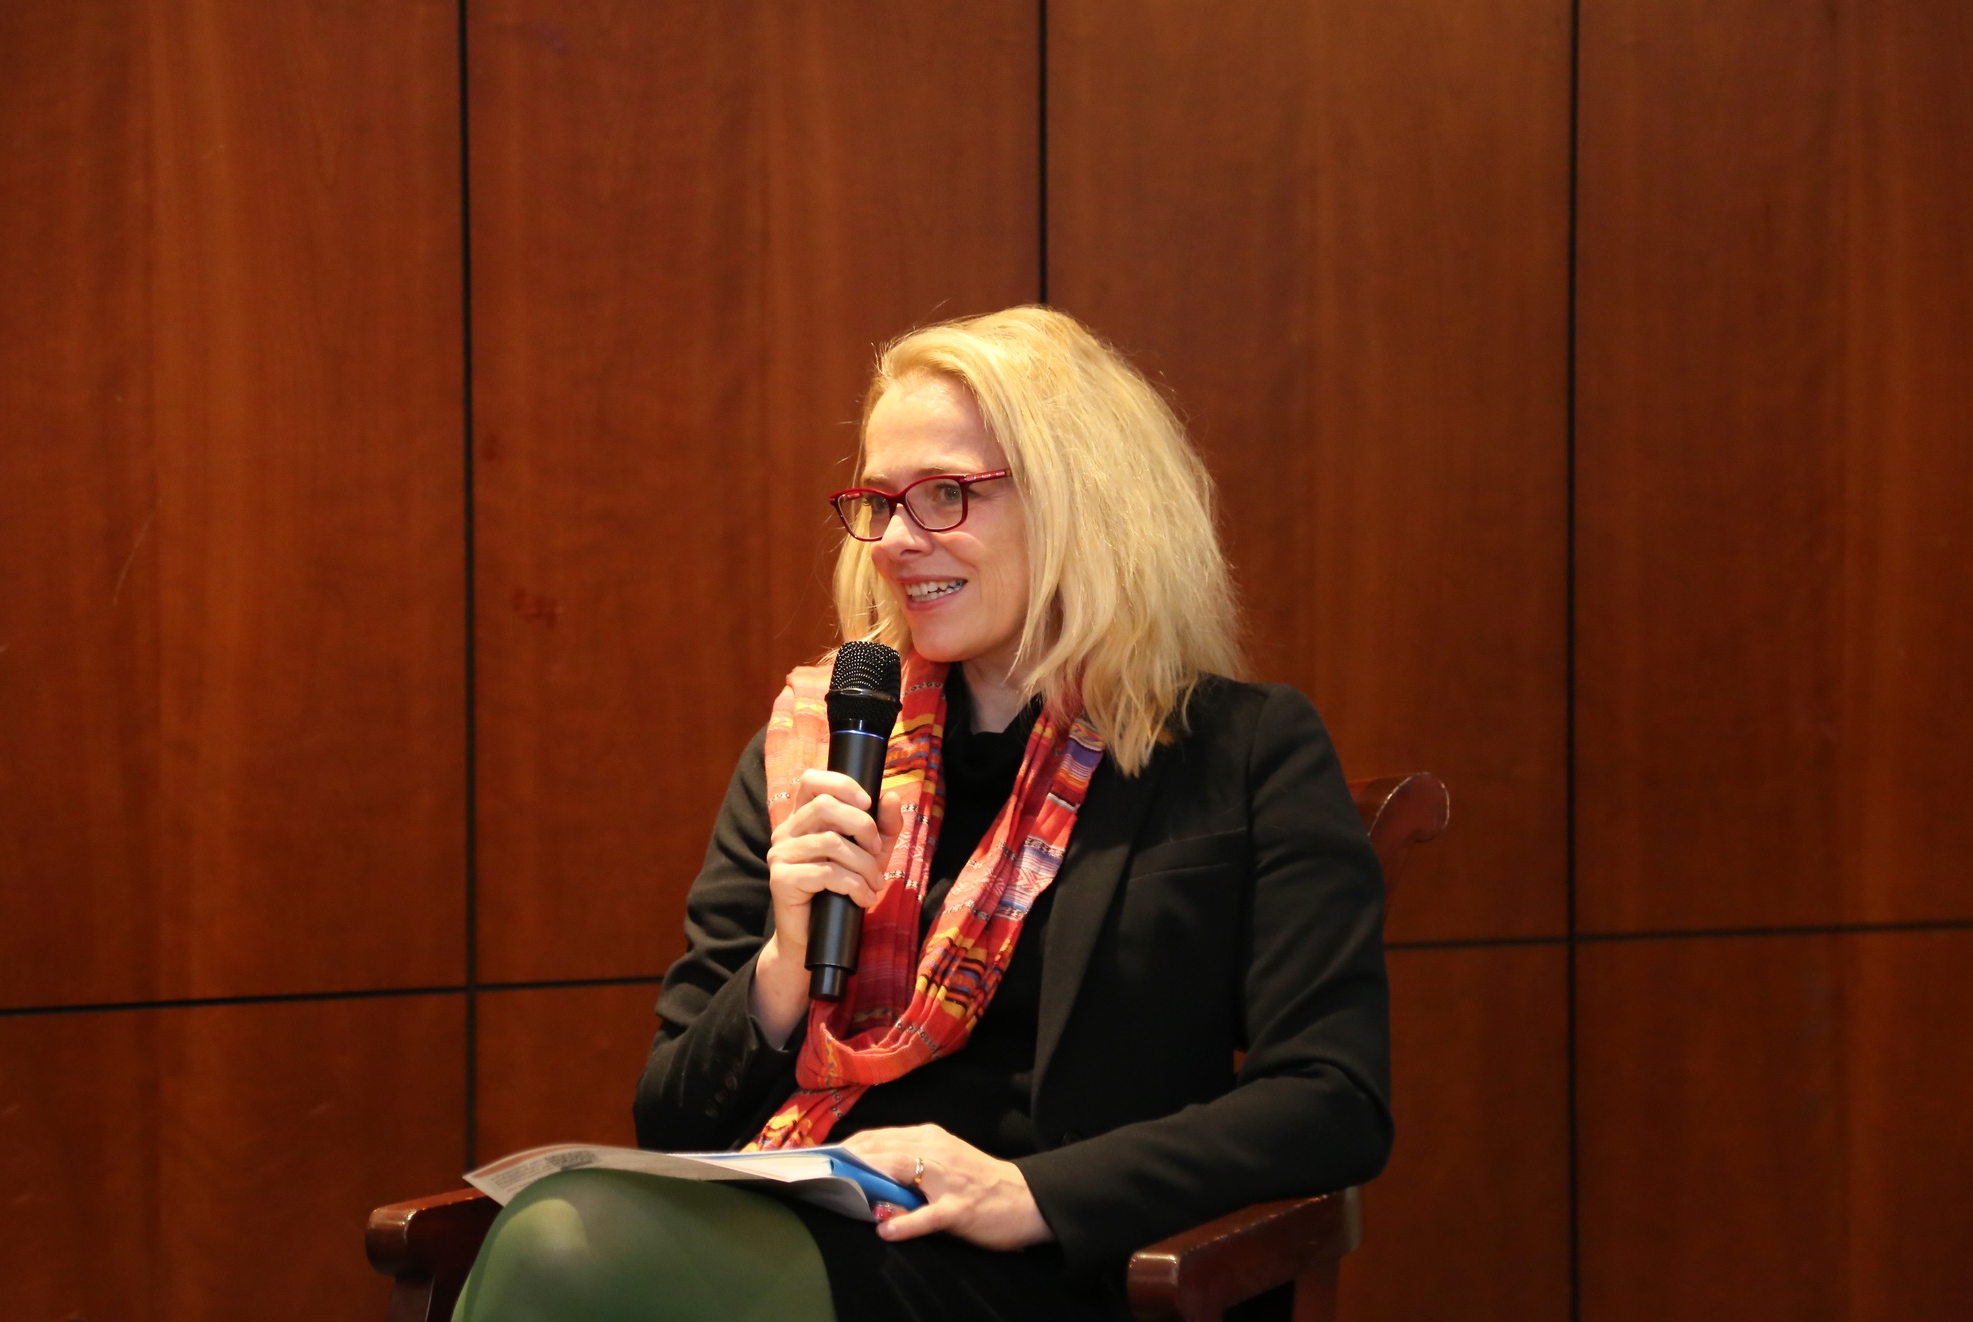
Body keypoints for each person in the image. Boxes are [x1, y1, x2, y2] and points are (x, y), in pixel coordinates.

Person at [452, 307, 1391, 1321]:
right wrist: (782, 966)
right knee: (568, 1227)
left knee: (569, 1251)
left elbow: (1330, 1098)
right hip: (807, 1223)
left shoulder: (1238, 750)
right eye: (880, 501)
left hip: (1056, 1264)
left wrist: (1030, 1192)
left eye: (945, 494)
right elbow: (674, 1120)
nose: (897, 542)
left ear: (1082, 498)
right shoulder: (815, 749)